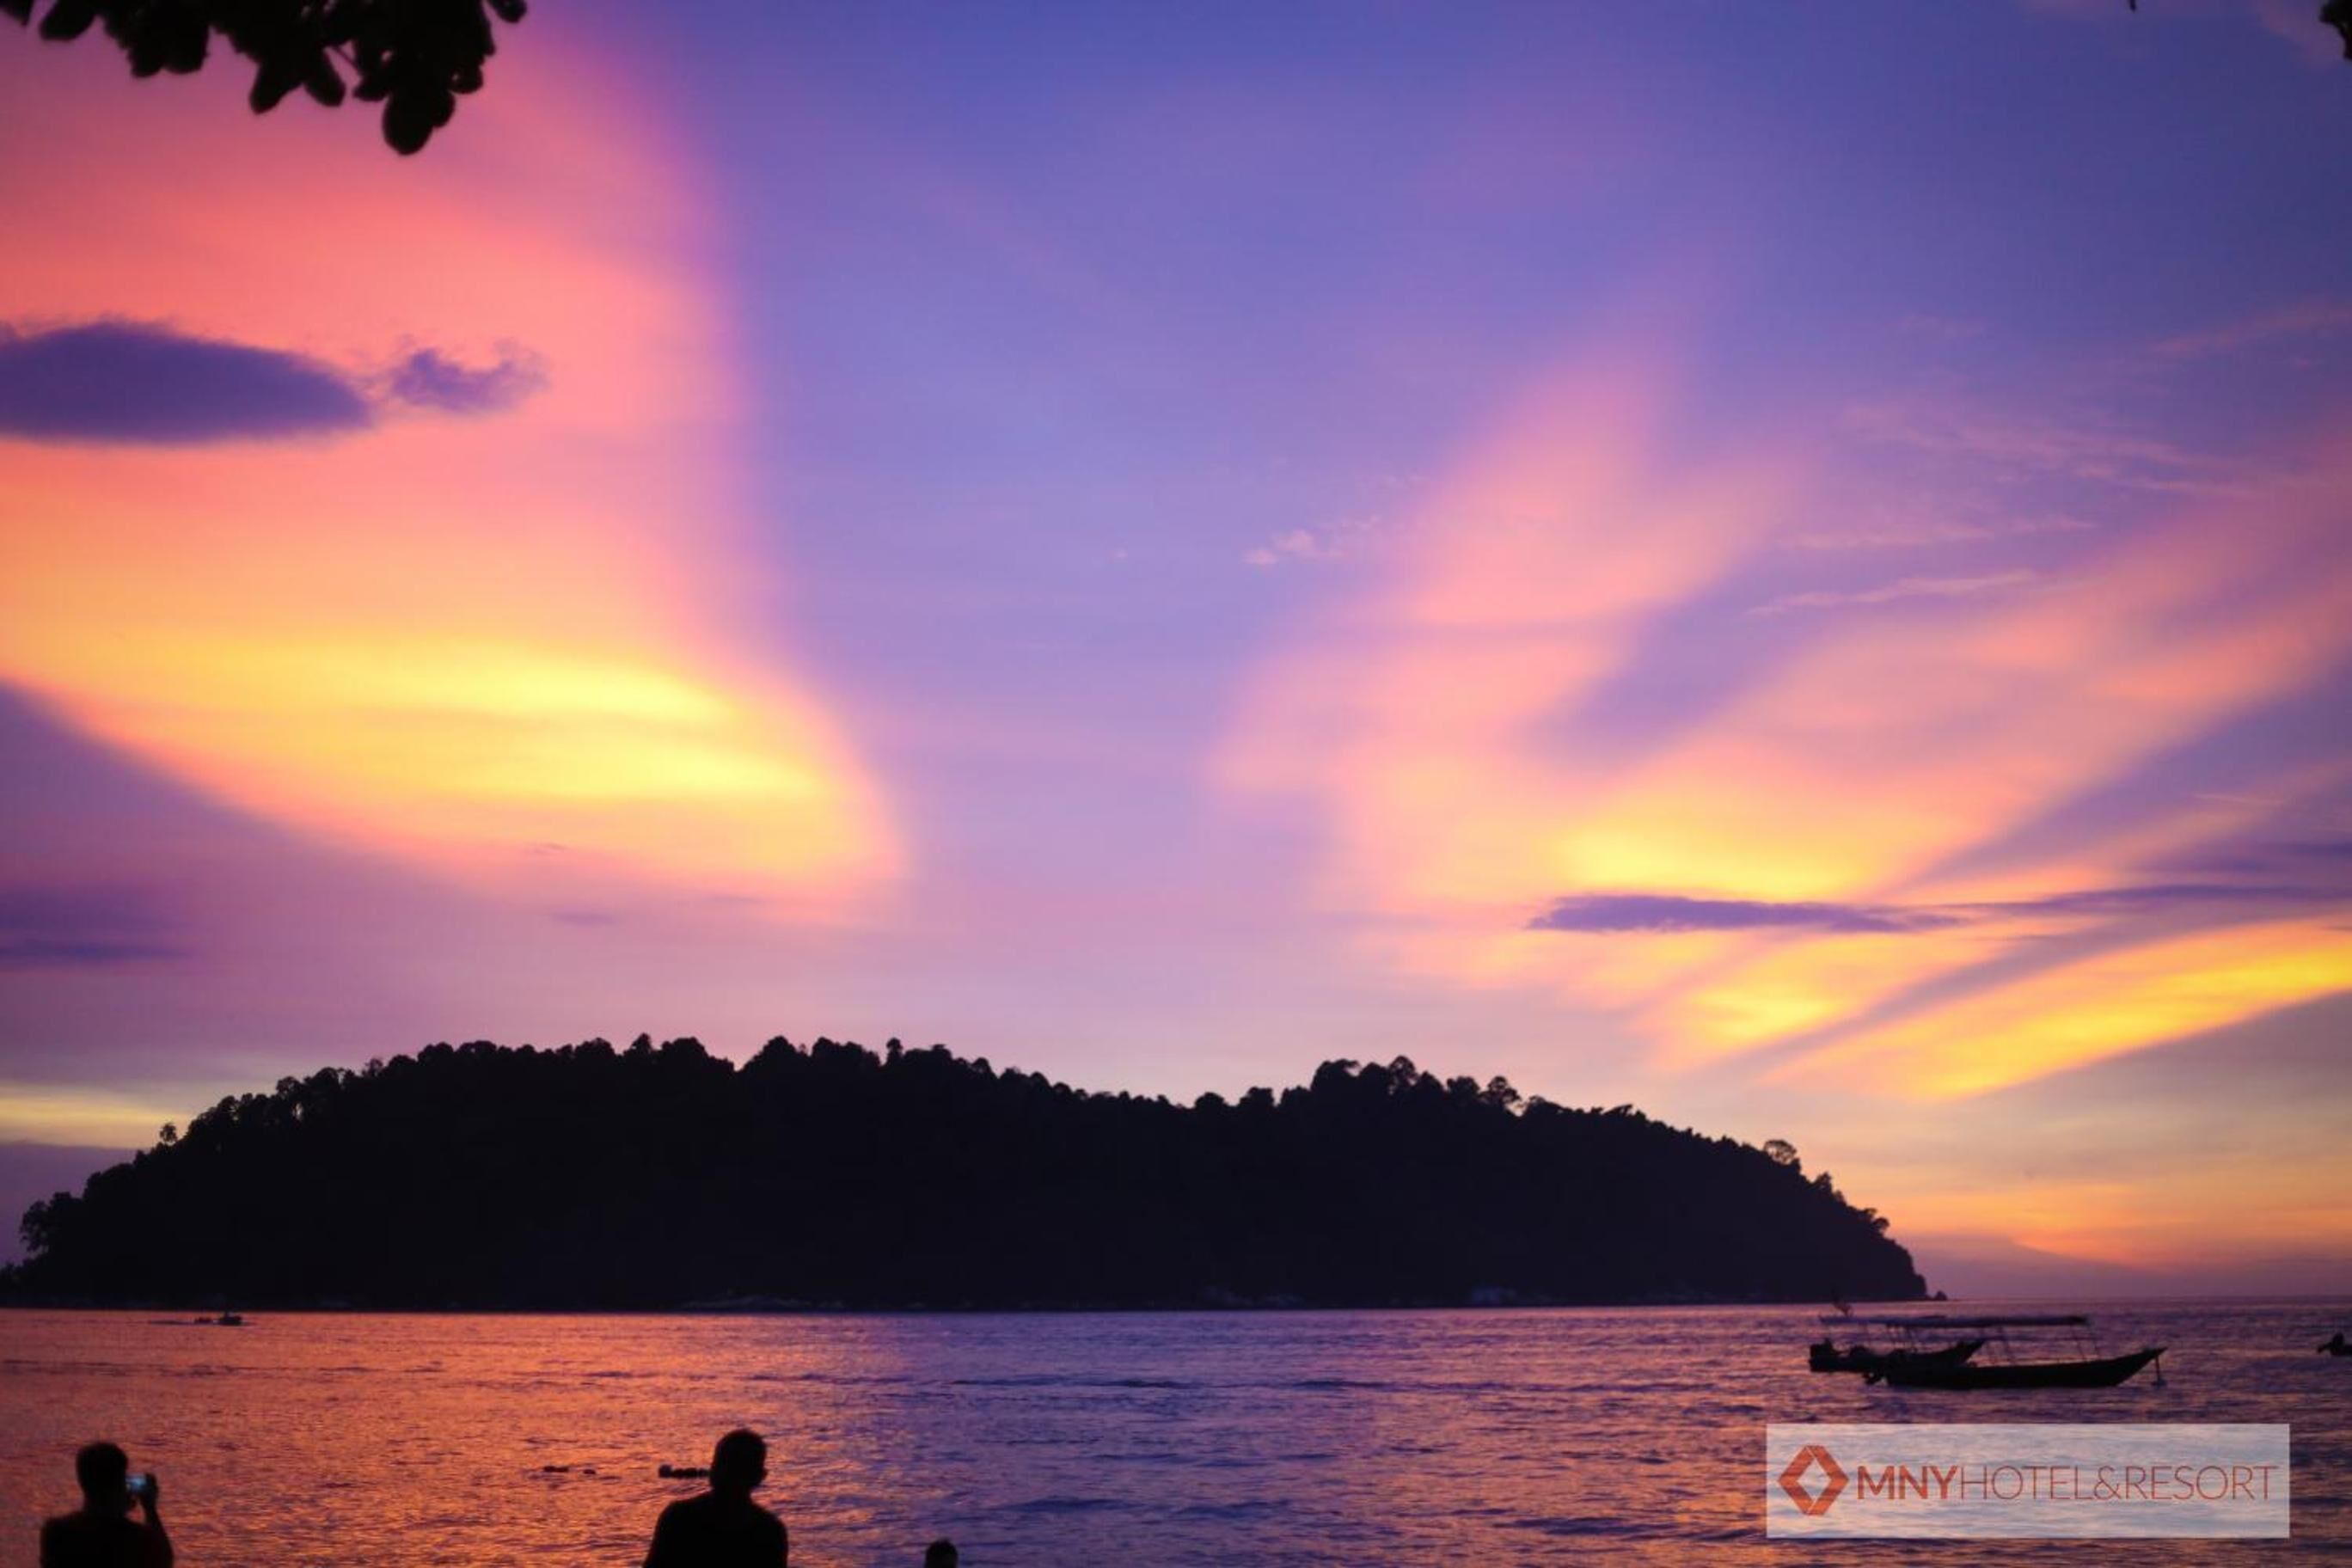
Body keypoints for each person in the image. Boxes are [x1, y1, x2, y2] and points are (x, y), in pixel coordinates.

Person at [644, 1429, 788, 1567]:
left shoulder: (679, 1517)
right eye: (725, 1464)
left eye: (735, 1468)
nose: (728, 1474)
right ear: (760, 1476)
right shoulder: (770, 1531)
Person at [39, 1442, 172, 1568]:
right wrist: (150, 1508)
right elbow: (163, 1561)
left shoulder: (57, 1533)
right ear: (118, 1485)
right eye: (125, 1479)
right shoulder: (136, 1539)